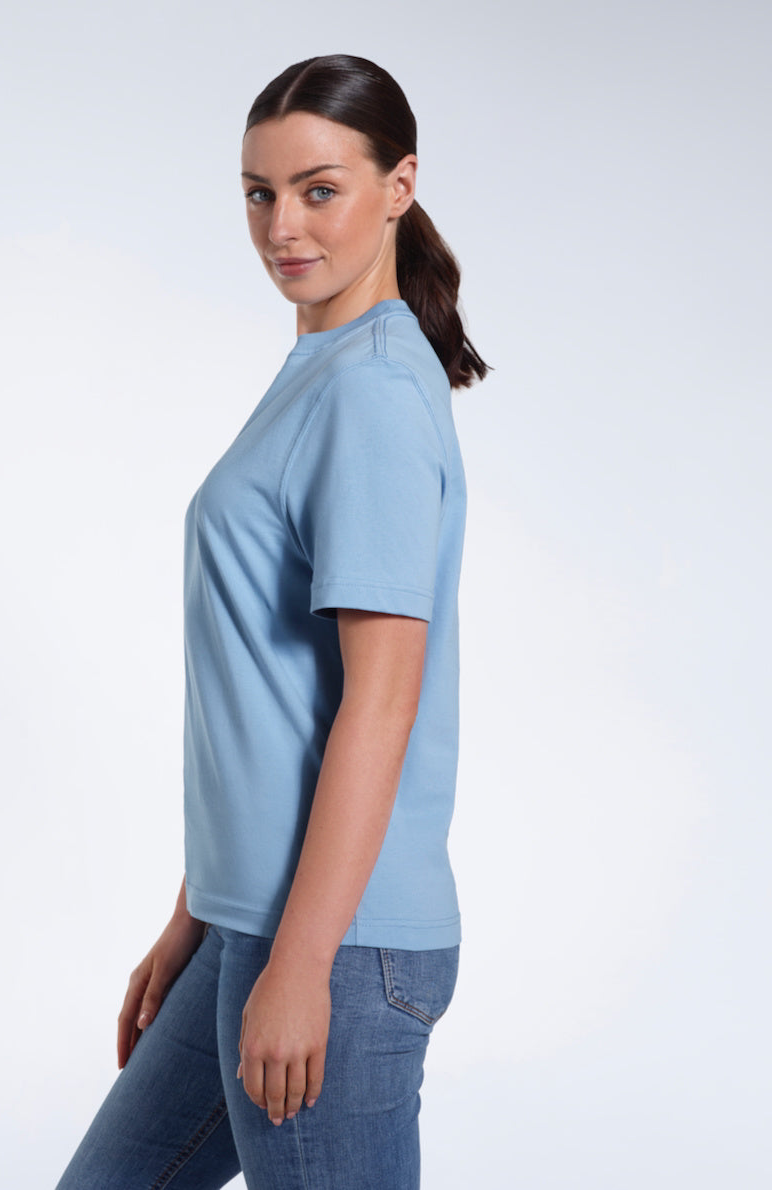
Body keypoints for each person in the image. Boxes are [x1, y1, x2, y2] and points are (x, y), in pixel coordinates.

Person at [56, 53, 487, 1190]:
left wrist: (295, 964)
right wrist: (197, 911)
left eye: (318, 188)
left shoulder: (376, 393)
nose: (283, 226)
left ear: (398, 186)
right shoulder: (321, 364)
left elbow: (377, 702)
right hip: (259, 919)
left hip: (336, 944)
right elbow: (271, 693)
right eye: (259, 192)